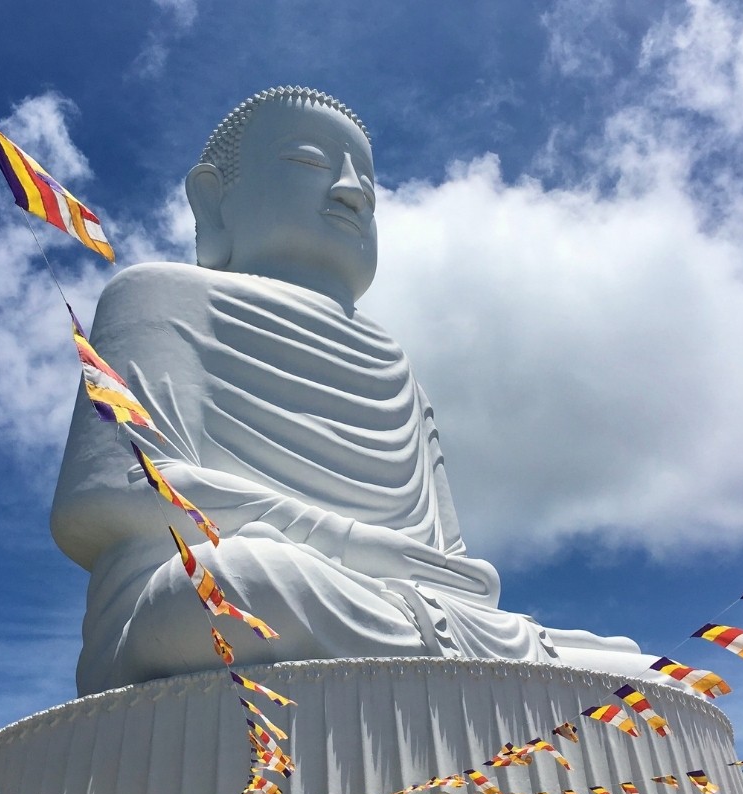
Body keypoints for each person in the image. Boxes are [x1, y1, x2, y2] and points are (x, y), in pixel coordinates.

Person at [52, 87, 645, 697]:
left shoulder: (400, 368)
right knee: (241, 584)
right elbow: (108, 490)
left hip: (401, 610)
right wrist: (350, 543)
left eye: (368, 182)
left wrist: (448, 589)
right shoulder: (160, 294)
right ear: (214, 198)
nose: (351, 191)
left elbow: (453, 567)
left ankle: (507, 661)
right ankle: (503, 670)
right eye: (310, 162)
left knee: (634, 669)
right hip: (212, 598)